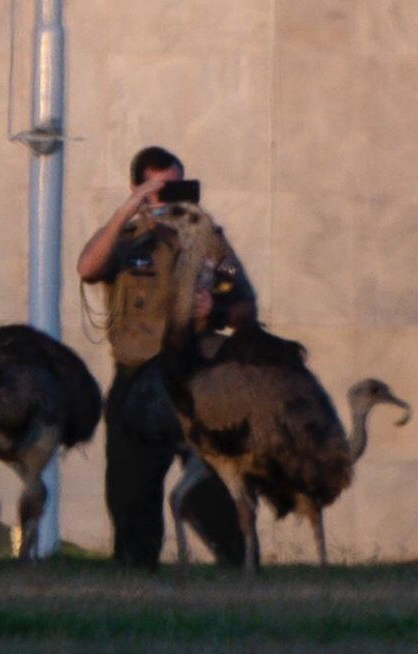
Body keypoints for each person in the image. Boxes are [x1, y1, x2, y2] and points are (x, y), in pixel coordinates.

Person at [77, 146, 255, 569]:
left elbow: (245, 304)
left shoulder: (208, 240)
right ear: (138, 188)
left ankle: (235, 567)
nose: (172, 199)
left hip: (194, 377)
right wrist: (132, 208)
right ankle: (136, 574)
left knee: (212, 481)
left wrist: (216, 310)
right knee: (129, 489)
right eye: (161, 188)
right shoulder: (125, 238)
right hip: (136, 373)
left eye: (177, 186)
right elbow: (87, 267)